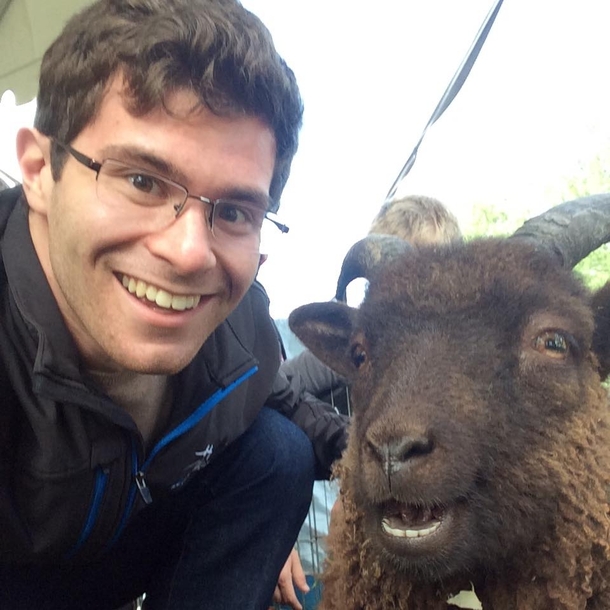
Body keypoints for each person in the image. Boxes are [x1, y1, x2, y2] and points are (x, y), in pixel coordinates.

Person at [0, 1, 347, 609]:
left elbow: (287, 408)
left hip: (119, 556)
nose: (190, 254)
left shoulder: (241, 333)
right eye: (141, 180)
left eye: (235, 211)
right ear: (38, 170)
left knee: (276, 453)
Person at [276, 194, 462, 608]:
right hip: (324, 567)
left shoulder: (473, 371)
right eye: (396, 283)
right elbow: (264, 402)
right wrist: (270, 536)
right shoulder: (350, 353)